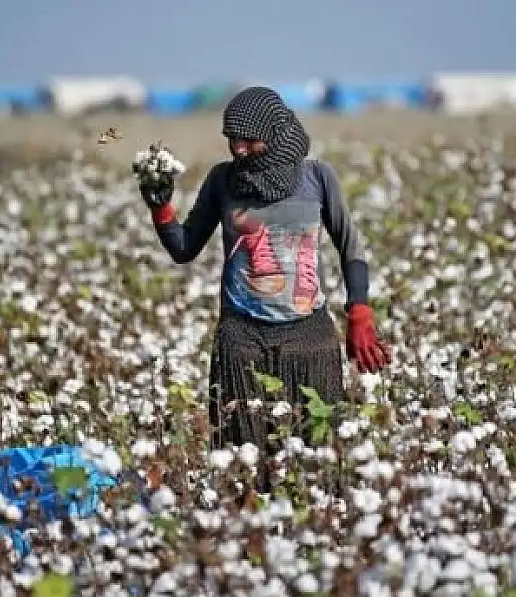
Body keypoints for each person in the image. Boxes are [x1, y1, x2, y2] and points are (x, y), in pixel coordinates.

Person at [137, 86, 392, 465]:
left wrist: (359, 311)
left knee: (316, 461)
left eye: (248, 139)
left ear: (274, 134)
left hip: (310, 339)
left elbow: (350, 245)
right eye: (232, 139)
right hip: (241, 340)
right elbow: (184, 247)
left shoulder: (317, 177)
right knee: (243, 465)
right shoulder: (223, 180)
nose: (238, 148)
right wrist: (160, 206)